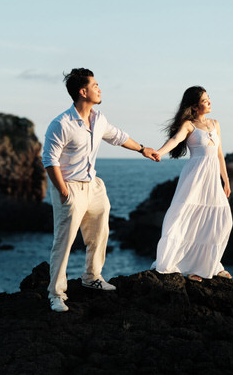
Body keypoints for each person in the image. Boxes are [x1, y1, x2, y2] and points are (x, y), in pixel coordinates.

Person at [42, 68, 161, 313]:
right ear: (82, 91)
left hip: (93, 186)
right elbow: (49, 160)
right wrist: (64, 192)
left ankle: (92, 277)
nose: (100, 89)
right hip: (70, 188)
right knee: (63, 243)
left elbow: (118, 137)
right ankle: (56, 294)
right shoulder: (61, 124)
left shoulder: (98, 119)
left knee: (100, 233)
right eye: (95, 85)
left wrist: (142, 149)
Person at [151, 86, 233, 281]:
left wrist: (226, 180)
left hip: (213, 178)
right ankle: (188, 267)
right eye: (205, 100)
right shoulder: (189, 125)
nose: (209, 102)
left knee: (223, 220)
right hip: (195, 177)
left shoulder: (215, 123)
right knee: (185, 216)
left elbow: (219, 154)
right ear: (195, 107)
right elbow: (175, 139)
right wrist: (160, 152)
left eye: (208, 98)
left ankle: (210, 265)